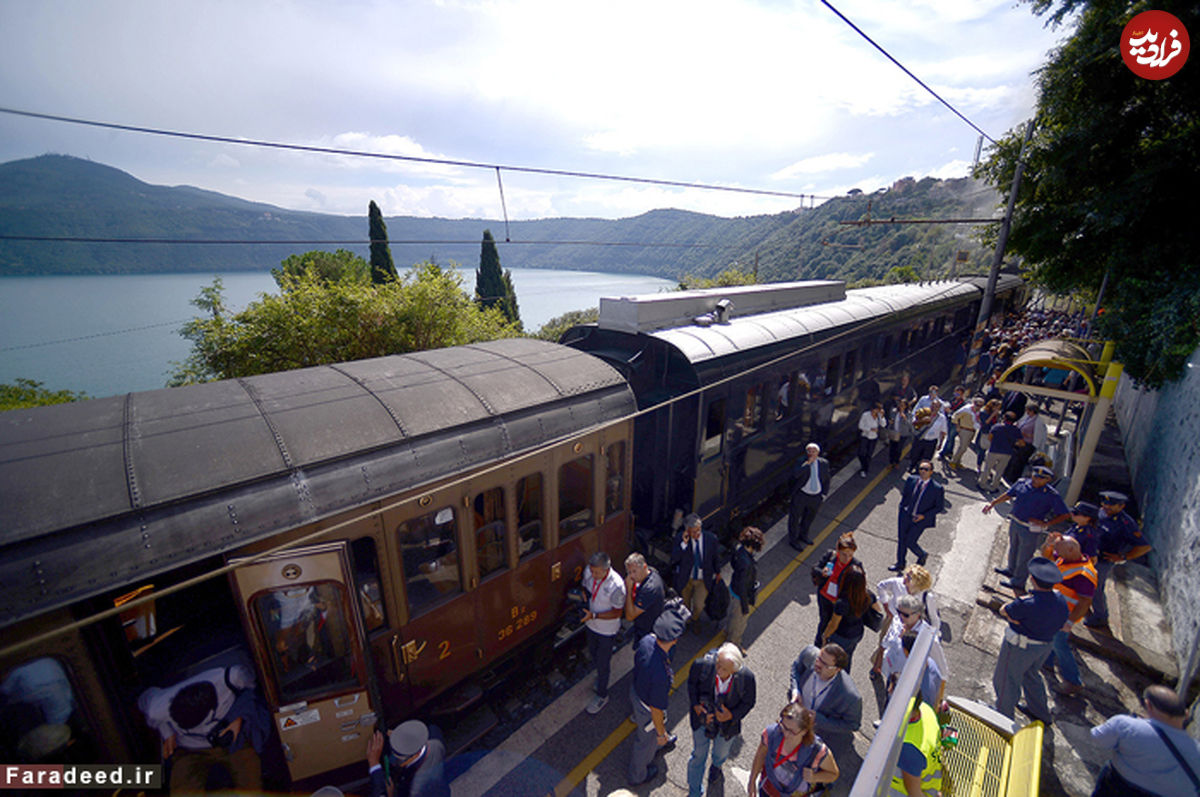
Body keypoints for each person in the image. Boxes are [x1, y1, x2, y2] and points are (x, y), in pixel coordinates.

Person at [138, 665, 265, 793]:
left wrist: (239, 717)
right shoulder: (158, 708)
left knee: (251, 781)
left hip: (232, 742)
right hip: (190, 750)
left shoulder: (232, 678)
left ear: (212, 711)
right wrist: (167, 733)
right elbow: (144, 699)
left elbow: (256, 688)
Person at [991, 557, 1069, 723]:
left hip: (1020, 646)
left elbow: (1005, 611)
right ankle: (1040, 713)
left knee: (1006, 680)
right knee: (1031, 676)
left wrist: (1012, 615)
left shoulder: (1026, 603)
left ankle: (1002, 719)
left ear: (1032, 579)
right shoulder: (1060, 599)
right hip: (1044, 645)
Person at [1090, 685, 1200, 796]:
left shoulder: (1127, 725)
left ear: (1148, 705)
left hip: (1119, 786)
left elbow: (1097, 738)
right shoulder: (1197, 750)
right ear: (1186, 714)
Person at [984, 465, 1071, 592]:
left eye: (1041, 478)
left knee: (1025, 555)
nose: (1036, 479)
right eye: (1035, 476)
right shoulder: (1022, 483)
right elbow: (1008, 495)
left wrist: (1046, 523)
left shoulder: (1051, 495)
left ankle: (1018, 581)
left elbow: (1064, 514)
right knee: (1014, 547)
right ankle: (1011, 569)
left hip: (1030, 528)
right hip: (1016, 521)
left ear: (1047, 480)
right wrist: (993, 503)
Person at [628, 602, 688, 786]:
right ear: (675, 639)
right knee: (645, 742)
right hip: (648, 707)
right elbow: (656, 710)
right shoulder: (661, 674)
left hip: (637, 691)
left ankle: (660, 740)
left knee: (651, 731)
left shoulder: (646, 641)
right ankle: (637, 775)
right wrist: (661, 733)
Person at [685, 643, 757, 795]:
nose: (718, 670)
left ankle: (716, 767)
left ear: (735, 670)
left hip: (727, 726)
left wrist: (731, 715)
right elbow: (692, 685)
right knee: (698, 755)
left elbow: (749, 702)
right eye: (718, 664)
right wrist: (697, 707)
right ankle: (694, 792)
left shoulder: (747, 678)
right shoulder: (701, 666)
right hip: (702, 721)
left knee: (720, 753)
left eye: (724, 669)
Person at [1039, 533, 1097, 697]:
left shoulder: (1084, 574)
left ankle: (1073, 681)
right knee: (1049, 637)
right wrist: (1049, 544)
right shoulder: (1066, 557)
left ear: (1071, 549)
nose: (1056, 553)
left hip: (1065, 615)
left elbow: (1085, 602)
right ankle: (1047, 662)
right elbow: (1046, 557)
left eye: (1058, 549)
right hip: (1054, 609)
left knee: (1060, 645)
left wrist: (1070, 622)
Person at [1086, 491, 1152, 631]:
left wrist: (1123, 557)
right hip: (1090, 555)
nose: (1106, 507)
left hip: (1104, 560)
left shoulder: (1126, 523)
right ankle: (1085, 606)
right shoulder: (1101, 513)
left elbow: (1144, 546)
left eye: (1111, 505)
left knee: (1096, 588)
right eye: (1104, 503)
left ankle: (1100, 617)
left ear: (1121, 506)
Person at [747, 703, 840, 797]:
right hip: (768, 788)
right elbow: (760, 755)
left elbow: (833, 774)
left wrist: (814, 777)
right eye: (783, 726)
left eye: (791, 731)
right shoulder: (771, 734)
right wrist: (752, 781)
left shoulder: (817, 751)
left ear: (804, 731)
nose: (785, 734)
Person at [873, 565, 941, 673]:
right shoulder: (897, 583)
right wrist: (886, 607)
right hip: (893, 621)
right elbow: (881, 586)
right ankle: (877, 666)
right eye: (906, 576)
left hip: (913, 629)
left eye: (908, 579)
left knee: (905, 654)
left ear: (918, 585)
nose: (904, 581)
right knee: (884, 643)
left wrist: (932, 637)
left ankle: (896, 672)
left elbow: (934, 619)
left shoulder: (927, 597)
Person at [581, 551, 626, 713]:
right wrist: (584, 595)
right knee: (593, 654)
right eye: (592, 571)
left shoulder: (617, 586)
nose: (593, 575)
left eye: (597, 573)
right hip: (591, 626)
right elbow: (585, 586)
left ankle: (602, 695)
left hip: (607, 631)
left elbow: (617, 612)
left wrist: (594, 615)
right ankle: (600, 678)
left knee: (603, 662)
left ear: (607, 570)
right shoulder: (589, 572)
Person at [788, 644, 863, 740]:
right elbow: (796, 668)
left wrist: (819, 720)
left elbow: (853, 725)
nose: (818, 664)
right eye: (819, 658)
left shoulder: (850, 696)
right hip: (794, 718)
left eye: (825, 664)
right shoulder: (810, 654)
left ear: (837, 669)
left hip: (816, 734)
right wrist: (795, 690)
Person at [365, 720, 449, 797]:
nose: (396, 761)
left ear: (414, 756)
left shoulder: (414, 790)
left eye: (399, 759)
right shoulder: (434, 736)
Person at [818, 565, 881, 668]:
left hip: (841, 636)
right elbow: (878, 610)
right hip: (857, 633)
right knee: (847, 657)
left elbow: (833, 624)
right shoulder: (868, 595)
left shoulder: (842, 603)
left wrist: (825, 636)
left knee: (833, 662)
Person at [879, 594, 948, 687]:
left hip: (909, 684)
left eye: (905, 615)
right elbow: (887, 640)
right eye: (898, 612)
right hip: (892, 673)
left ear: (918, 614)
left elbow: (941, 670)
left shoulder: (928, 637)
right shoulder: (897, 621)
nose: (900, 616)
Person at [671, 513, 721, 634]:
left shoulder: (711, 539)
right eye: (693, 532)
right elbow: (674, 559)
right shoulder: (680, 539)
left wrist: (718, 572)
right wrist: (684, 544)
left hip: (702, 579)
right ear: (687, 531)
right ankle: (687, 623)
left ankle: (695, 619)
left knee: (699, 605)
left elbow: (715, 557)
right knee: (685, 604)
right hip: (686, 578)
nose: (697, 534)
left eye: (698, 530)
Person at [891, 461, 944, 572]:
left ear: (931, 472)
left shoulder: (937, 488)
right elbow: (905, 494)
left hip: (920, 519)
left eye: (926, 469)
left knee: (910, 541)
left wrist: (923, 516)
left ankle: (922, 554)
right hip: (905, 514)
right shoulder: (911, 480)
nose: (923, 471)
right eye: (921, 468)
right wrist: (902, 507)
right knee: (901, 540)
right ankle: (900, 564)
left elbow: (939, 507)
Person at [887, 697, 946, 797]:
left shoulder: (908, 747)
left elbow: (915, 794)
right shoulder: (925, 709)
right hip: (931, 786)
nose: (889, 689)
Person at [813, 533, 861, 647]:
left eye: (850, 555)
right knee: (824, 621)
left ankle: (828, 645)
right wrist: (822, 572)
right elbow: (815, 568)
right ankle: (818, 644)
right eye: (844, 554)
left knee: (835, 625)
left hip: (839, 602)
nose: (847, 558)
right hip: (824, 597)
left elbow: (859, 584)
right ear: (838, 550)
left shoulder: (856, 565)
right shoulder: (830, 556)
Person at [728, 526, 764, 652]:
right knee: (740, 623)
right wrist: (745, 606)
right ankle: (734, 644)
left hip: (733, 589)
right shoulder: (747, 563)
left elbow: (733, 563)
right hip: (741, 596)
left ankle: (728, 631)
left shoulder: (738, 550)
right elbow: (744, 586)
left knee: (732, 615)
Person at [789, 443, 830, 548]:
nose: (811, 454)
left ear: (818, 452)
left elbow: (826, 479)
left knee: (809, 518)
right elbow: (796, 474)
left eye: (814, 451)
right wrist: (808, 464)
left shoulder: (823, 463)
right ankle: (793, 540)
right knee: (795, 518)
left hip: (816, 496)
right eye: (809, 451)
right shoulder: (801, 462)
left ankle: (803, 535)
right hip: (802, 495)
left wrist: (824, 494)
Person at [624, 551, 666, 650]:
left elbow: (630, 616)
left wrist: (628, 590)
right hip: (643, 625)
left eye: (634, 571)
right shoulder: (651, 572)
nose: (631, 576)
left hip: (649, 632)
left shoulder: (649, 589)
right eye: (629, 572)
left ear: (644, 567)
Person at [978, 411, 1022, 493]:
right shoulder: (1016, 430)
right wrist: (1014, 443)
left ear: (1004, 418)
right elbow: (1021, 443)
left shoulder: (997, 427)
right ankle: (994, 487)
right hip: (1007, 452)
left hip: (994, 450)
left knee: (987, 468)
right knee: (999, 471)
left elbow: (990, 437)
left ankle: (982, 484)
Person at [908, 400, 946, 473]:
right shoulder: (923, 413)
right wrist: (922, 421)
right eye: (933, 405)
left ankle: (919, 470)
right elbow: (913, 423)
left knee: (926, 458)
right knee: (915, 454)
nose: (934, 408)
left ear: (939, 408)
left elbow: (943, 432)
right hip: (920, 438)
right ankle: (911, 466)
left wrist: (941, 443)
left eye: (936, 406)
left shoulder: (942, 418)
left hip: (931, 441)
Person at [948, 396, 983, 469]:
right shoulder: (966, 409)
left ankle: (958, 462)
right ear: (974, 403)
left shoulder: (978, 412)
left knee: (964, 448)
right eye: (977, 405)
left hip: (972, 431)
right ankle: (953, 462)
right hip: (965, 430)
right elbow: (955, 416)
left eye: (981, 405)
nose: (979, 407)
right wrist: (957, 426)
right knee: (962, 448)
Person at [857, 402, 886, 477]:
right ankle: (863, 464)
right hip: (865, 436)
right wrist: (870, 429)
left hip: (873, 438)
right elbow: (860, 426)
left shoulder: (879, 416)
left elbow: (883, 425)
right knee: (861, 453)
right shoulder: (865, 415)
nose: (878, 411)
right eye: (877, 409)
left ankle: (864, 469)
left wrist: (882, 417)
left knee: (869, 454)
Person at [887, 399, 915, 467]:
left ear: (906, 406)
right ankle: (891, 462)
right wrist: (890, 422)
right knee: (892, 448)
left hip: (902, 434)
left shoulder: (908, 414)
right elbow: (891, 419)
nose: (901, 406)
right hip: (894, 433)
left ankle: (896, 462)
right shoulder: (894, 411)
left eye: (902, 405)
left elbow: (910, 425)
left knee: (899, 449)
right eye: (900, 405)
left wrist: (905, 418)